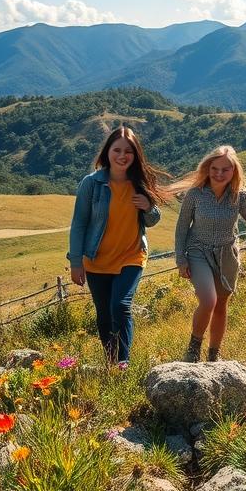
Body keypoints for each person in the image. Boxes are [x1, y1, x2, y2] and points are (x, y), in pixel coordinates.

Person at [67, 126, 168, 366]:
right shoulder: (92, 184)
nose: (123, 156)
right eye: (117, 150)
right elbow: (79, 224)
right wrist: (76, 262)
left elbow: (152, 220)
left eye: (128, 151)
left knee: (120, 306)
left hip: (131, 256)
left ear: (136, 155)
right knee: (104, 315)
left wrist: (148, 207)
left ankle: (123, 363)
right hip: (97, 260)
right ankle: (111, 361)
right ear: (107, 152)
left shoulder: (140, 182)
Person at [175, 145, 246, 362]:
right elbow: (182, 228)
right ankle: (193, 350)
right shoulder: (195, 194)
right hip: (198, 251)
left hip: (227, 255)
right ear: (207, 168)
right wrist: (181, 258)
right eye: (214, 168)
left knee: (220, 305)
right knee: (208, 300)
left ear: (234, 171)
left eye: (225, 169)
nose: (219, 173)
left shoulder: (240, 196)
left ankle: (214, 355)